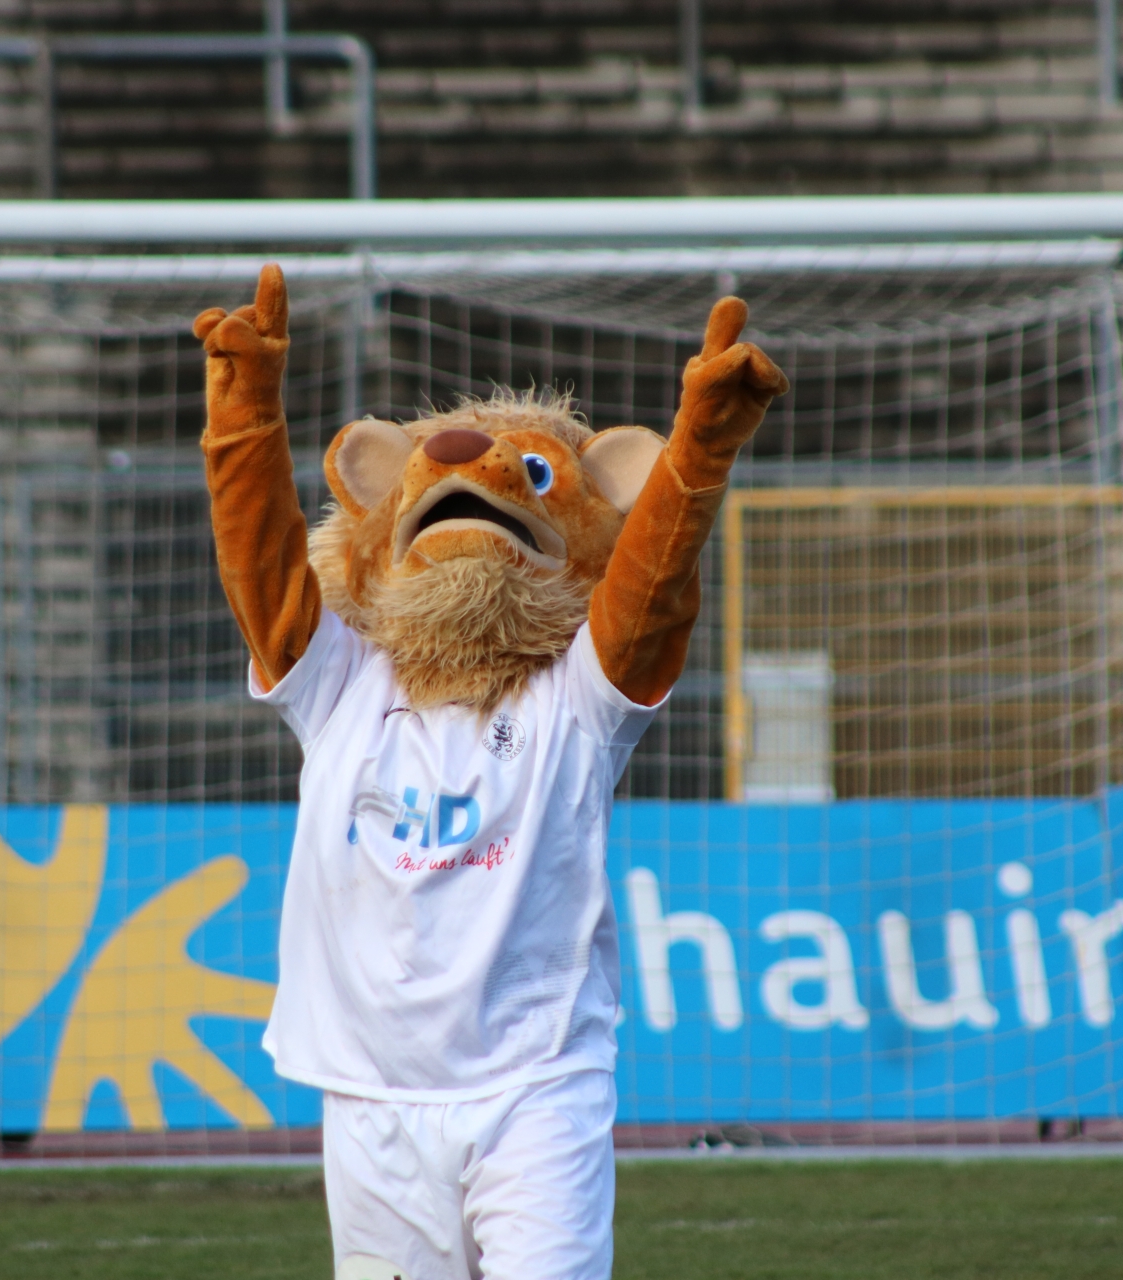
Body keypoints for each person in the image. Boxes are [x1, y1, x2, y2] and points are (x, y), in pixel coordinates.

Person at [191, 265, 786, 1278]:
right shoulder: (341, 682)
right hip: (371, 1093)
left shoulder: (576, 699)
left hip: (537, 1083)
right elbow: (265, 571)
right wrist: (244, 413)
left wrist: (700, 451)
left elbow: (648, 590)